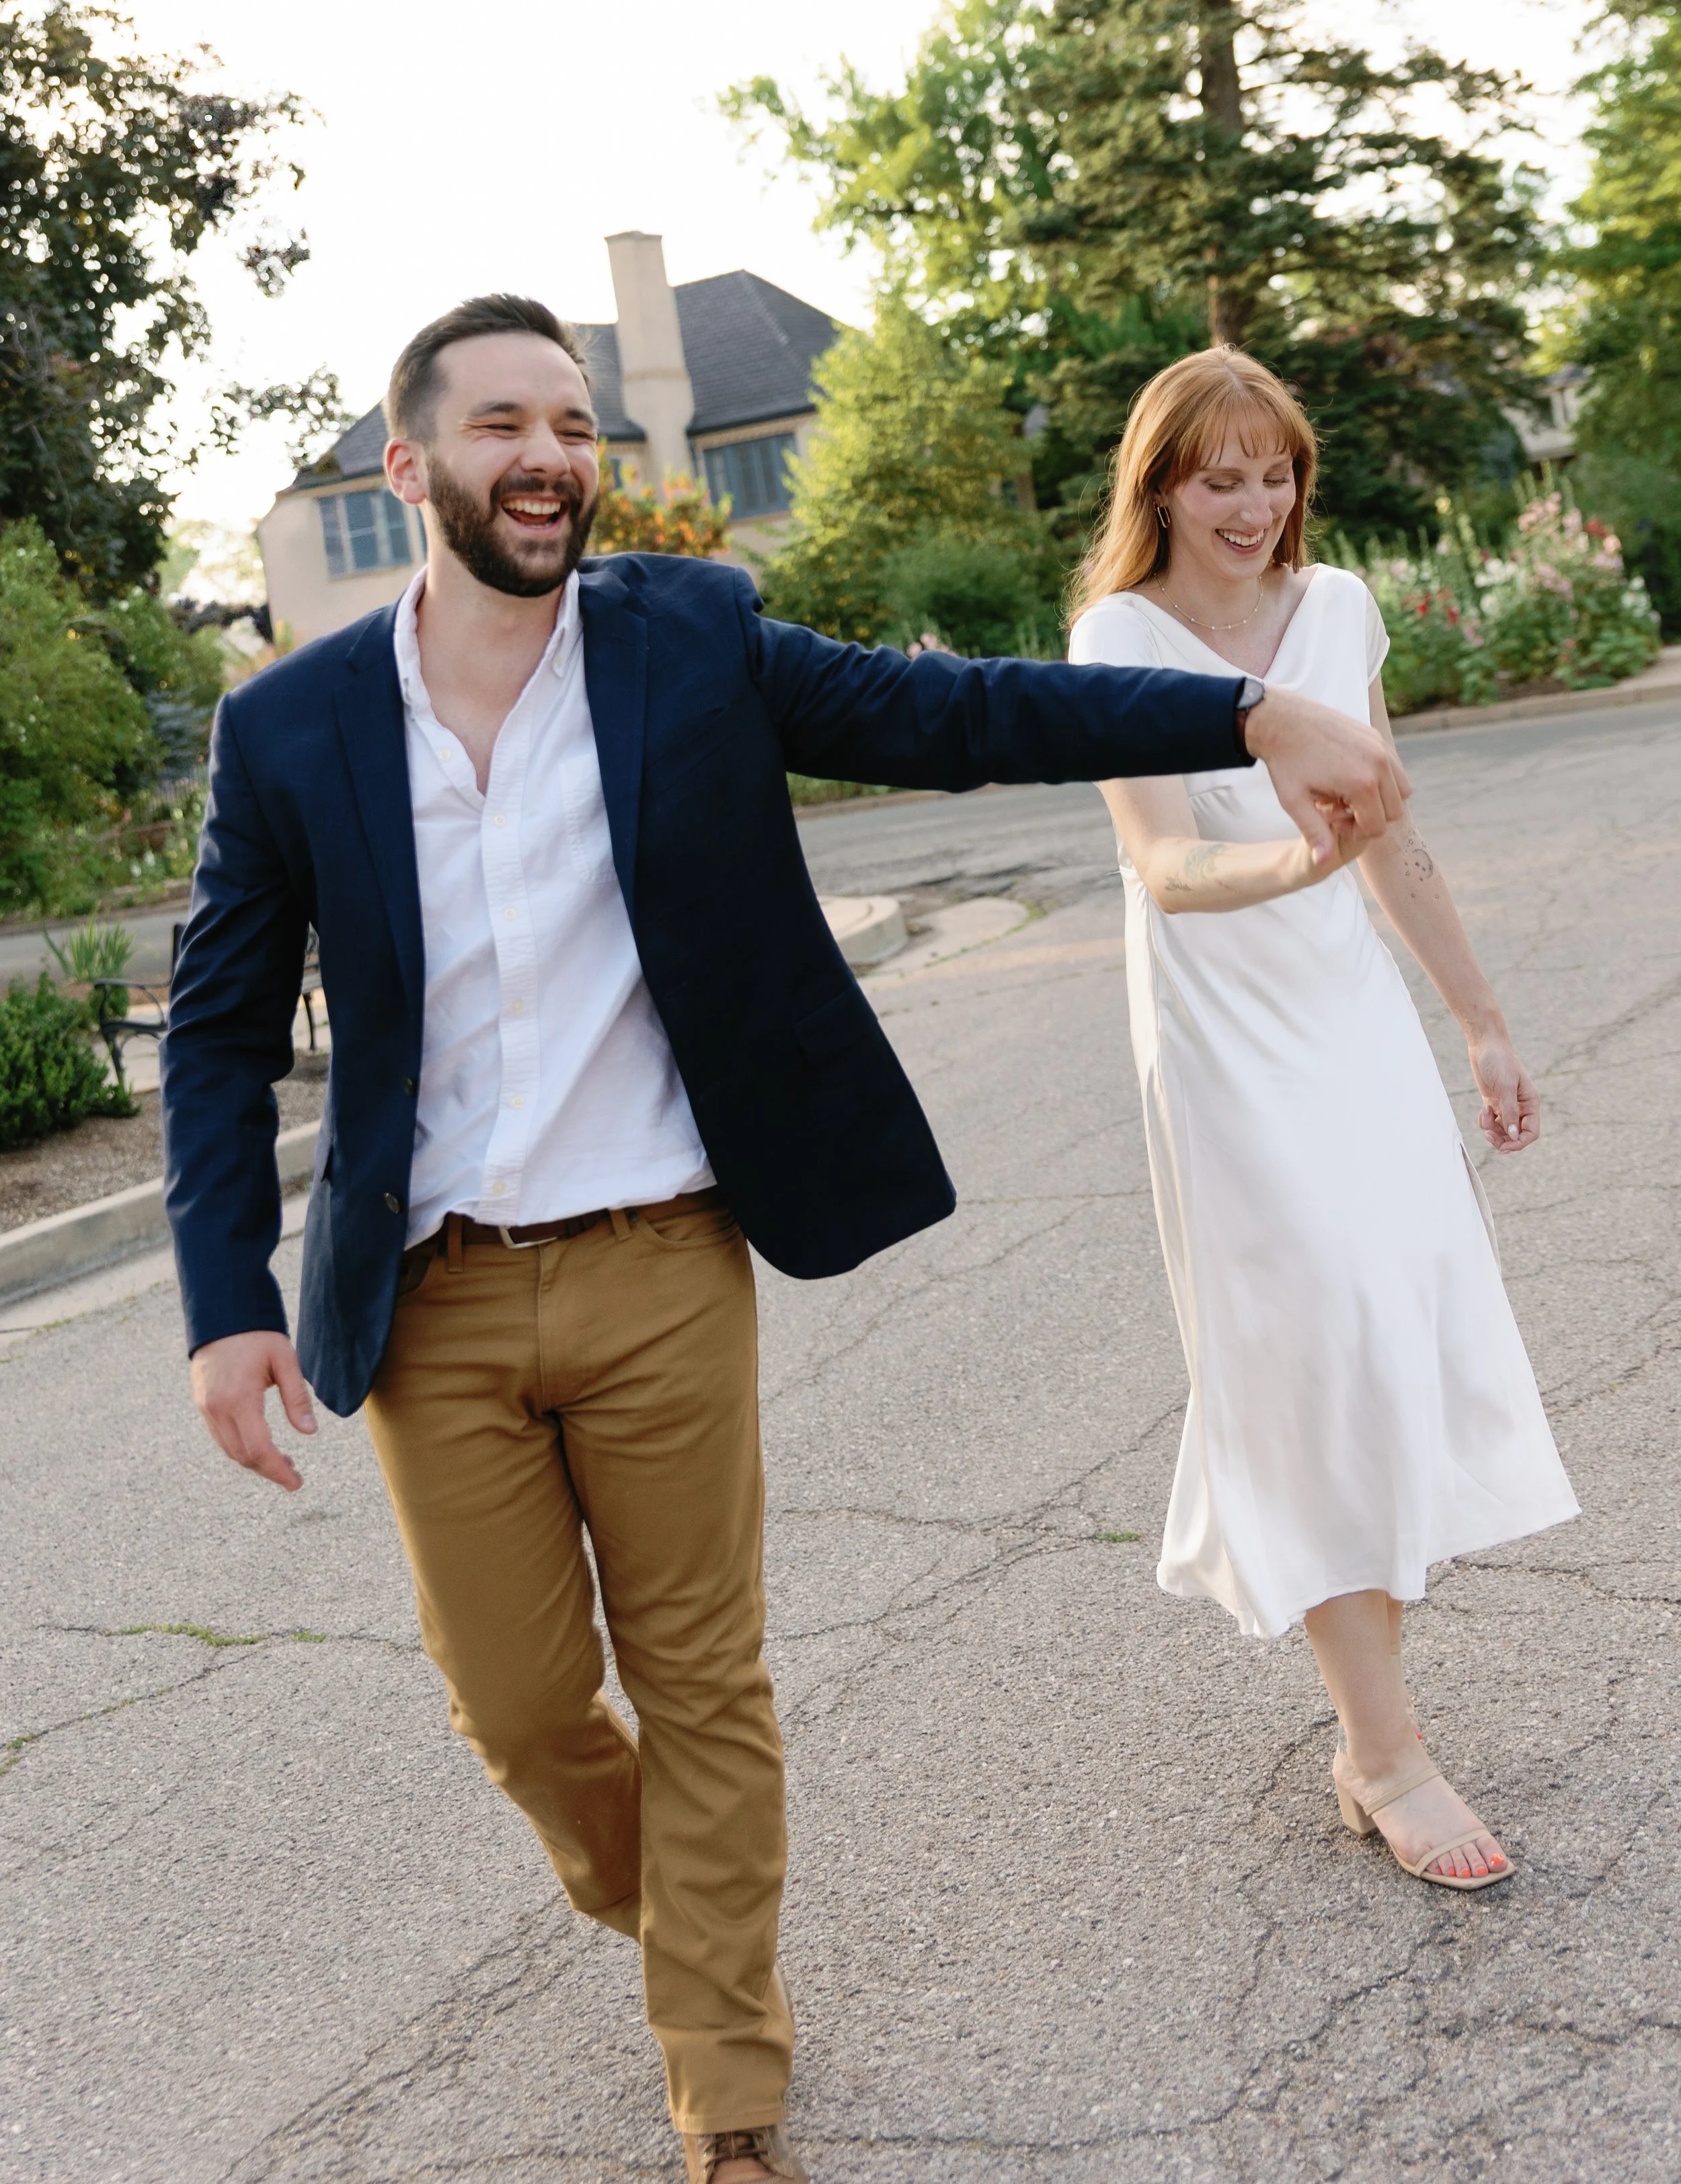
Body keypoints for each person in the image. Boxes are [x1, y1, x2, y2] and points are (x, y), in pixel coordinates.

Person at [162, 297, 1408, 2184]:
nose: (550, 453)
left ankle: (726, 2099)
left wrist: (1239, 705)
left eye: (574, 421)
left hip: (664, 1253)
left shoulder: (689, 637)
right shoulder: (290, 728)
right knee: (514, 1708)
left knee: (703, 1682)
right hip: (428, 1296)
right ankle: (688, 1913)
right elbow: (219, 1027)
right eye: (503, 422)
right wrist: (220, 1303)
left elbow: (960, 711)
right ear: (408, 468)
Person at [1070, 345, 1578, 1895]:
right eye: (1216, 474)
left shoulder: (1339, 608)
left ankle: (1372, 1725)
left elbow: (1390, 834)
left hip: (1349, 1024)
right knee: (1312, 1352)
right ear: (1157, 484)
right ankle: (1383, 1749)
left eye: (1272, 469)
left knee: (1397, 1335)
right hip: (1225, 1041)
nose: (1251, 501)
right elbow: (1162, 864)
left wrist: (1478, 1017)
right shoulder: (1119, 637)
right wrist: (1298, 864)